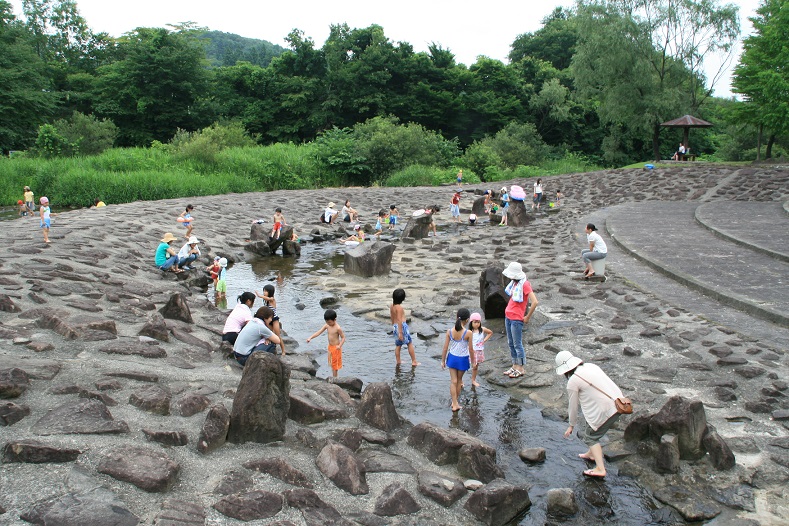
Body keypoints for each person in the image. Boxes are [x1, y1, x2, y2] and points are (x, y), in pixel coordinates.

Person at [556, 350, 624, 478]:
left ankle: (600, 468)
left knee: (591, 437)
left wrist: (571, 425)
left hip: (606, 409)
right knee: (590, 428)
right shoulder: (591, 366)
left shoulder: (573, 381)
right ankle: (591, 453)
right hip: (619, 402)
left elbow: (573, 406)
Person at [502, 261, 538, 378]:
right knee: (511, 343)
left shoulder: (525, 284)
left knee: (517, 344)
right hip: (508, 316)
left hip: (517, 318)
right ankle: (514, 365)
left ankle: (521, 367)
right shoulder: (515, 283)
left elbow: (535, 302)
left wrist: (527, 317)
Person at [441, 308, 475, 412]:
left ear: (457, 317)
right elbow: (471, 349)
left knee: (453, 381)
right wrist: (473, 362)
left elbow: (445, 348)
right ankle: (454, 403)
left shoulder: (449, 331)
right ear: (468, 320)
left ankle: (454, 402)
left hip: (452, 358)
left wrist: (442, 361)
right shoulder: (468, 333)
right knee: (459, 381)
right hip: (462, 359)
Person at [307, 309, 346, 377]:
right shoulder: (327, 325)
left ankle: (335, 379)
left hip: (336, 348)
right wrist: (310, 337)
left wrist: (339, 346)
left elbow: (343, 337)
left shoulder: (338, 328)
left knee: (335, 366)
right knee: (331, 364)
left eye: (330, 322)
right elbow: (319, 332)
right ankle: (334, 377)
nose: (328, 323)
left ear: (334, 320)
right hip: (330, 347)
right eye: (327, 322)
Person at [390, 288, 420, 366]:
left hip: (395, 326)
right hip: (401, 327)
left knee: (398, 345)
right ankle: (414, 361)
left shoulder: (392, 306)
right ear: (402, 299)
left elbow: (392, 318)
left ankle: (398, 361)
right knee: (409, 343)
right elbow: (400, 320)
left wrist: (393, 327)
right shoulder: (399, 308)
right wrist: (400, 332)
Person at [255, 284, 285, 355]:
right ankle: (273, 349)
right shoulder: (266, 301)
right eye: (264, 291)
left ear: (270, 292)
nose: (264, 292)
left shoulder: (272, 299)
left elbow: (268, 299)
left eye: (266, 291)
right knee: (269, 335)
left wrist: (259, 296)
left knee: (278, 336)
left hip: (274, 320)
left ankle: (283, 351)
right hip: (268, 320)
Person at [468, 312, 493, 387]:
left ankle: (473, 380)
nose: (477, 324)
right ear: (471, 322)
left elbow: (490, 332)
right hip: (471, 351)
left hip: (479, 351)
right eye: (475, 322)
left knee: (475, 367)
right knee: (467, 365)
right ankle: (461, 380)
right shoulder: (469, 332)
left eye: (478, 322)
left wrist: (484, 340)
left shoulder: (482, 329)